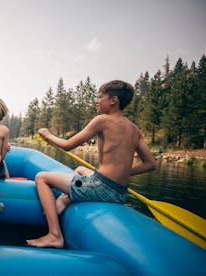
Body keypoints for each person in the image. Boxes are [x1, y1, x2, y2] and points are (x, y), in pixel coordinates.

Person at [26, 80, 156, 248]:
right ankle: (68, 198)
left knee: (41, 177)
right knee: (80, 170)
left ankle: (54, 235)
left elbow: (68, 145)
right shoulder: (135, 129)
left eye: (100, 97)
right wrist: (121, 175)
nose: (96, 100)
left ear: (113, 100)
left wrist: (47, 134)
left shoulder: (102, 120)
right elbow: (151, 164)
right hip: (120, 192)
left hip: (100, 187)